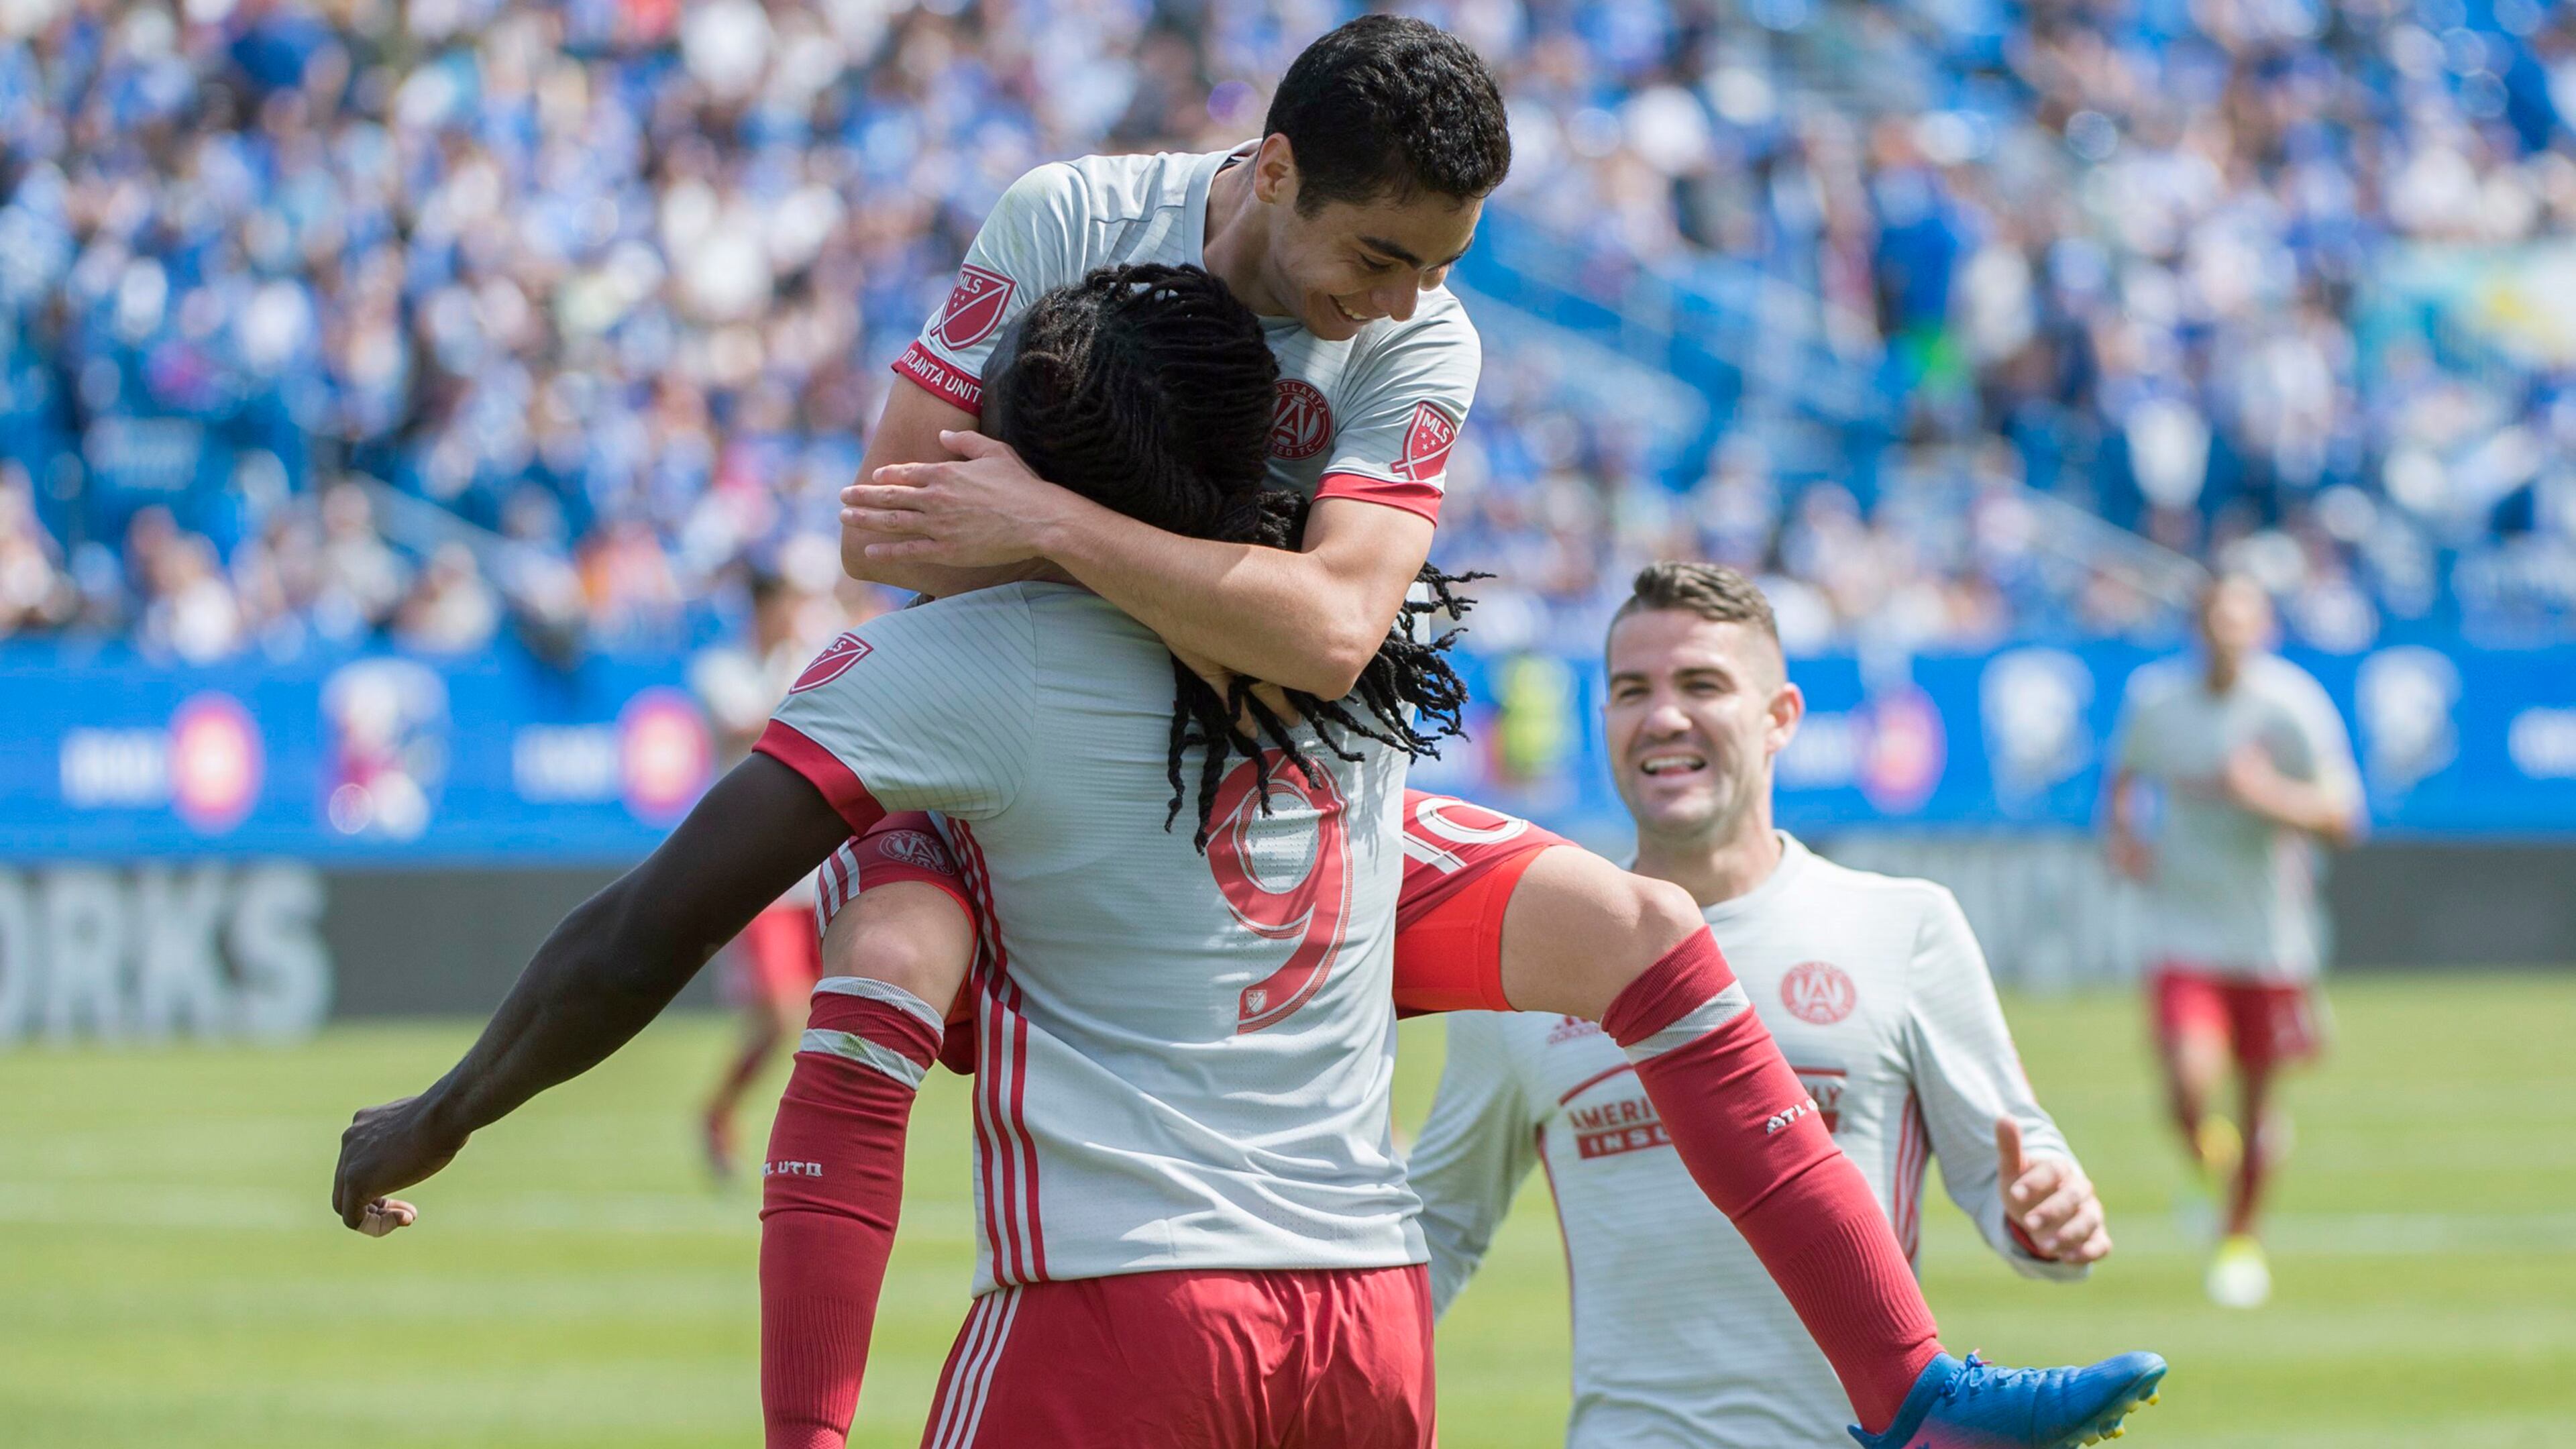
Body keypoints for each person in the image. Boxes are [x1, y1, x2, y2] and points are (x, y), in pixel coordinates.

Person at [810, 17, 2160, 1448]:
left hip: (1286, 775)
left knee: (1644, 931)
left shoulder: (1428, 335)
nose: (1406, 308)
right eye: (1383, 260)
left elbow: (1335, 637)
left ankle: (1915, 1393)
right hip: (1054, 752)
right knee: (880, 974)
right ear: (1274, 173)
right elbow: (896, 518)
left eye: (1444, 266)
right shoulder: (1068, 216)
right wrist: (1221, 601)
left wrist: (1048, 519)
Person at [337, 264, 1469, 1449]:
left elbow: (642, 937)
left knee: (874, 965)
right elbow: (1625, 933)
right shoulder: (1361, 668)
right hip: (1369, 1319)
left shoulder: (957, 669)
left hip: (1128, 1303)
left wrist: (446, 1112)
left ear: (1019, 460)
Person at [1407, 561, 2119, 1448]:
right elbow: (1438, 1227)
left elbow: (2008, 1168)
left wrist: (2047, 1212)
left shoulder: (1902, 926)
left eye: (1702, 684)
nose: (1664, 716)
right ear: (1605, 723)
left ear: (1781, 717)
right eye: (1633, 691)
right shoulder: (1535, 961)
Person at [2104, 573, 2363, 1309]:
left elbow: (2346, 818)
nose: (2230, 630)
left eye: (2243, 618)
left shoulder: (2292, 708)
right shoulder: (2159, 705)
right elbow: (2125, 777)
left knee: (2258, 1100)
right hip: (2184, 928)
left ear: (2264, 626)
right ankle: (2203, 1155)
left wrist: (2268, 796)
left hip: (2269, 940)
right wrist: (2124, 837)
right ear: (2198, 624)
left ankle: (2240, 1238)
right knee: (2188, 1083)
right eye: (2218, 616)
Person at [688, 564, 847, 1179]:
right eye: (787, 604)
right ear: (763, 609)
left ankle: (809, 1140)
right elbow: (747, 724)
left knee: (830, 1014)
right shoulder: (723, 670)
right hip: (758, 875)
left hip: (817, 867)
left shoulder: (808, 659)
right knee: (782, 1015)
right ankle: (724, 1113)